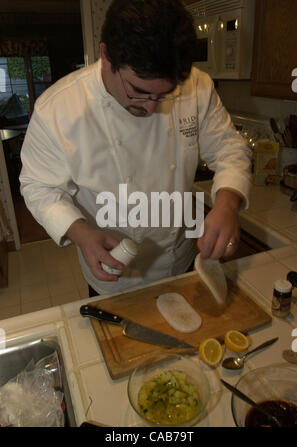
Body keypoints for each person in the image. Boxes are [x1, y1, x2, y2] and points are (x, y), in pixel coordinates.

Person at [19, 0, 252, 298]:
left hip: (178, 260)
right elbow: (37, 186)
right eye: (139, 91)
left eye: (166, 94)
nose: (152, 107)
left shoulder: (199, 86)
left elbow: (229, 149)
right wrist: (80, 233)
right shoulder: (58, 109)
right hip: (111, 272)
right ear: (106, 56)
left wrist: (227, 203)